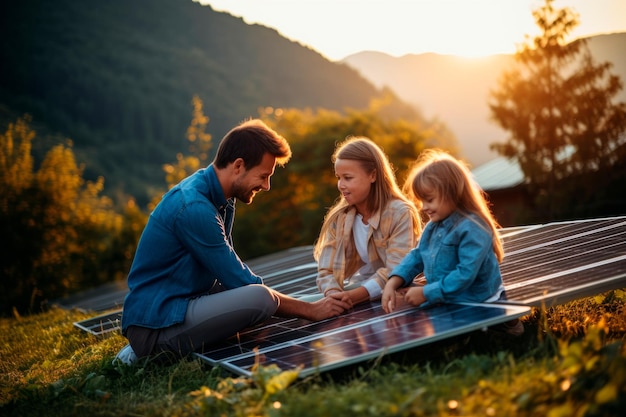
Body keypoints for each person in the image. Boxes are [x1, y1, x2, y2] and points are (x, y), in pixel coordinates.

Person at [115, 119, 353, 364]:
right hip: (157, 325)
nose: (267, 186)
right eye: (263, 176)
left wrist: (306, 303)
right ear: (238, 165)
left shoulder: (222, 198)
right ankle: (142, 353)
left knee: (259, 301)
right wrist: (311, 310)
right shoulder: (194, 207)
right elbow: (241, 282)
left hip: (185, 301)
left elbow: (230, 279)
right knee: (260, 298)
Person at [381, 149, 523, 336]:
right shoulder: (433, 226)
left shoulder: (473, 227)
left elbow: (465, 273)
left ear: (452, 193)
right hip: (445, 296)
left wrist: (426, 293)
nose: (424, 208)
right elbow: (417, 255)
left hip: (479, 299)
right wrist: (392, 282)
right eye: (422, 201)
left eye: (429, 200)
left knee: (463, 336)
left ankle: (505, 321)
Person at [313, 136, 422, 307]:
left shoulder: (399, 213)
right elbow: (326, 271)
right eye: (338, 177)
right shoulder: (339, 218)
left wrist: (353, 297)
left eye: (347, 178)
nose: (340, 185)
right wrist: (334, 296)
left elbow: (397, 269)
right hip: (358, 295)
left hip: (400, 296)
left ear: (372, 175)